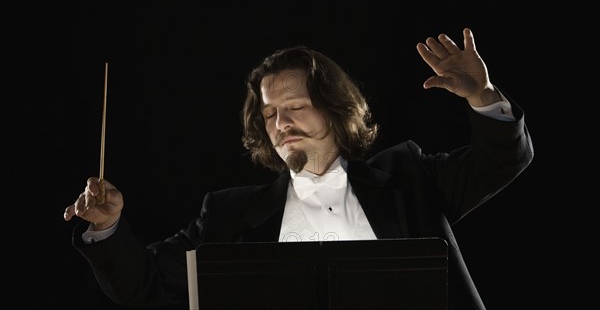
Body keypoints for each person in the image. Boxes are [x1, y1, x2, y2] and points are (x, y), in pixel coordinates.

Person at [64, 27, 534, 310]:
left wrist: (482, 96)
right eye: (270, 114)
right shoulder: (227, 215)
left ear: (333, 109)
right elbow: (143, 283)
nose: (282, 123)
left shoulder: (410, 177)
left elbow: (502, 160)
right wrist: (107, 228)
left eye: (296, 107)